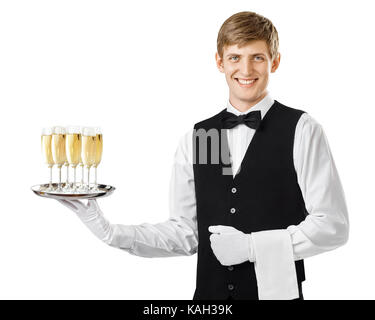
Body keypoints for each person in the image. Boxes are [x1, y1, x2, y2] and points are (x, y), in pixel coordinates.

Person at [58, 11, 349, 300]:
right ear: (219, 62)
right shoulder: (203, 137)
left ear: (275, 61)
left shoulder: (302, 129)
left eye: (257, 57)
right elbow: (187, 233)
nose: (246, 70)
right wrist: (109, 232)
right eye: (235, 57)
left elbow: (332, 225)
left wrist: (252, 247)